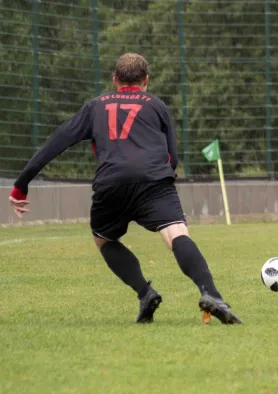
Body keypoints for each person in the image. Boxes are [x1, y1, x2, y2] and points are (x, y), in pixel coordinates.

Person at [8, 53, 242, 324]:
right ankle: (211, 293)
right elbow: (172, 157)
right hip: (154, 181)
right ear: (146, 81)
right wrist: (159, 182)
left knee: (104, 239)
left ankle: (145, 293)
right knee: (175, 233)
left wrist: (21, 185)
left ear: (115, 79)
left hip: (111, 182)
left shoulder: (95, 106)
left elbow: (56, 142)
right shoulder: (156, 105)